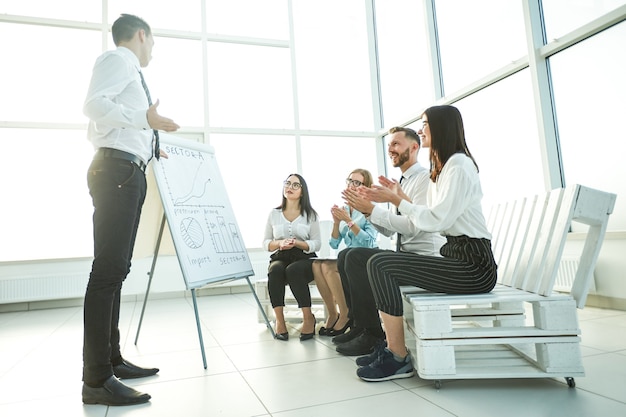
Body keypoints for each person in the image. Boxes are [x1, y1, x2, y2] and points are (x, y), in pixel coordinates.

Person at [353, 105, 498, 382]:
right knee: (377, 262)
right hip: (456, 257)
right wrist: (400, 197)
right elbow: (429, 216)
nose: (421, 130)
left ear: (441, 127)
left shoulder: (459, 165)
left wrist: (397, 201)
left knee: (380, 263)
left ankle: (397, 356)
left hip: (474, 267)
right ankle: (392, 349)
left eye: (425, 124)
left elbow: (436, 221)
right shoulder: (443, 167)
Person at [81, 14, 180, 406]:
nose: (152, 49)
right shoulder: (119, 59)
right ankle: (96, 379)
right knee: (108, 271)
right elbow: (93, 105)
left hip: (128, 169)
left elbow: (122, 119)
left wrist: (151, 140)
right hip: (117, 171)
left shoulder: (129, 69)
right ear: (141, 34)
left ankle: (111, 358)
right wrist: (144, 119)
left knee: (117, 270)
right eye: (152, 41)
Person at [333, 127, 446, 356]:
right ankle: (361, 325)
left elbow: (415, 228)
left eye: (396, 144)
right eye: (389, 145)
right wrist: (367, 212)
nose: (390, 149)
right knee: (346, 255)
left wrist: (373, 209)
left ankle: (373, 332)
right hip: (407, 255)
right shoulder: (401, 182)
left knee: (355, 256)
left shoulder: (424, 180)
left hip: (425, 259)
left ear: (414, 148)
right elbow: (389, 231)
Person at [313, 169, 379, 337]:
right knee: (317, 264)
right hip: (347, 257)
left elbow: (368, 241)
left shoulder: (369, 209)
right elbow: (334, 243)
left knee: (329, 268)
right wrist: (336, 222)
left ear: (366, 187)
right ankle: (334, 313)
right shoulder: (345, 208)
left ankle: (345, 314)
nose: (351, 185)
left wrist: (349, 221)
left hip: (365, 257)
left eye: (357, 182)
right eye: (350, 181)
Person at [263, 174, 322, 341]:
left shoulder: (311, 215)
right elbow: (266, 242)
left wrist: (298, 243)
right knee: (275, 271)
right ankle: (280, 321)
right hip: (281, 254)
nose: (290, 187)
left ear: (302, 192)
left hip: (304, 257)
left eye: (296, 185)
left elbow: (317, 243)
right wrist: (280, 243)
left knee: (293, 270)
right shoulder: (274, 213)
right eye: (287, 183)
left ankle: (308, 317)